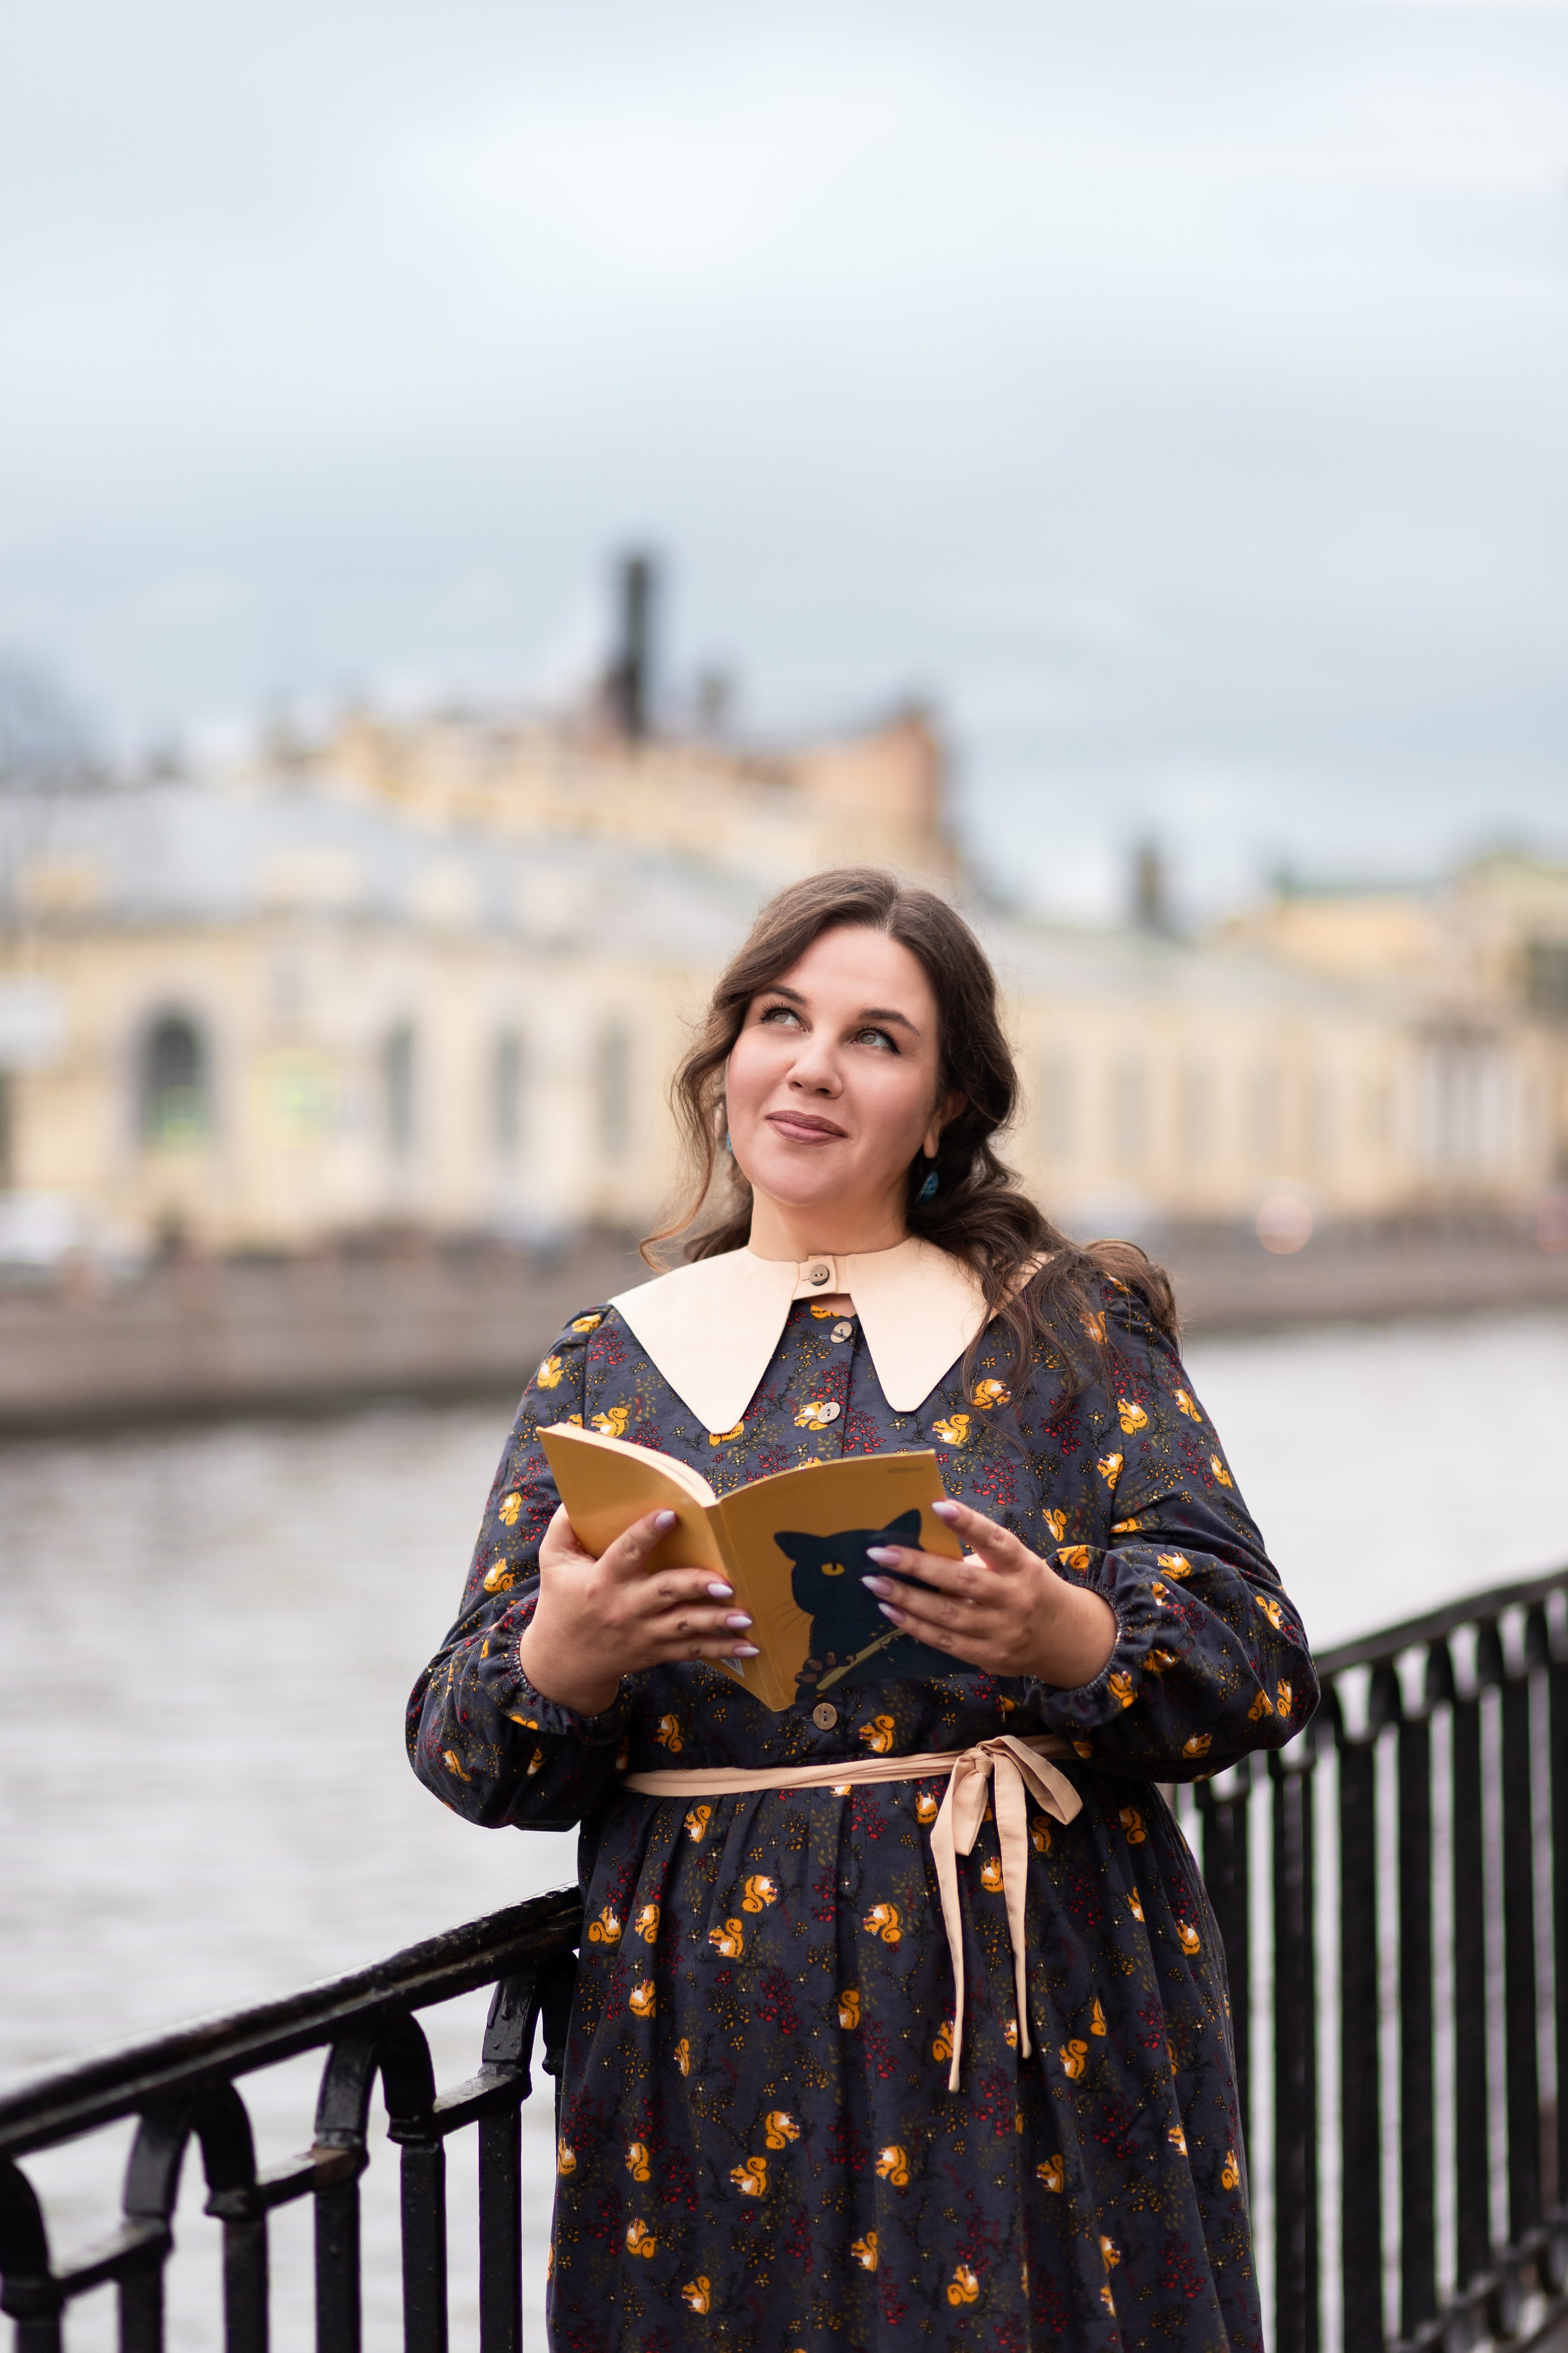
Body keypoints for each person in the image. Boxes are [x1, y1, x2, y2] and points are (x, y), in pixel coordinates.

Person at [407, 867, 1316, 2352]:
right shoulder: (604, 1364)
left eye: (875, 1036)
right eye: (781, 1017)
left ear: (945, 1105)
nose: (813, 1064)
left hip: (1027, 2008)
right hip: (703, 2029)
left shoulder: (1061, 1327)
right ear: (729, 1056)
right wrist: (561, 1660)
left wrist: (1068, 1638)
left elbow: (1258, 1664)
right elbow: (462, 1749)